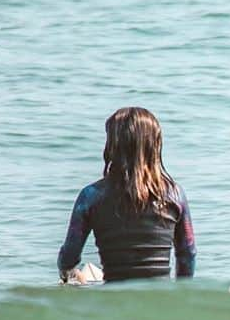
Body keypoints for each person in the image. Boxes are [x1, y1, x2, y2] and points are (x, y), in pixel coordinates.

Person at [58, 107, 196, 283]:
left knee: (80, 277)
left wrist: (67, 275)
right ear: (155, 145)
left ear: (112, 146)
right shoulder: (175, 195)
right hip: (160, 299)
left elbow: (69, 257)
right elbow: (188, 254)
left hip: (114, 298)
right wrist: (180, 294)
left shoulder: (90, 197)